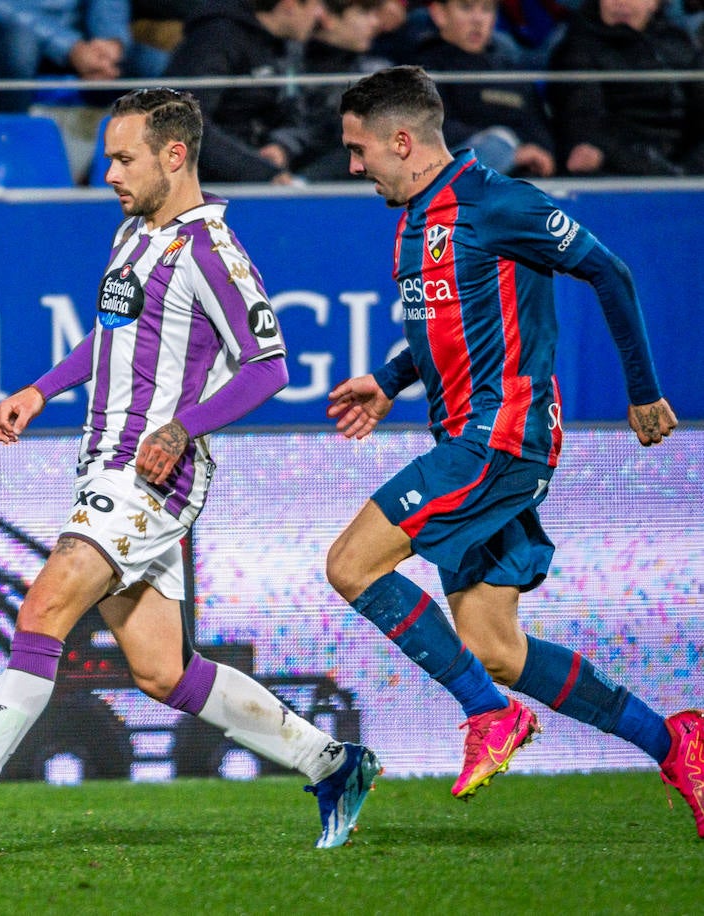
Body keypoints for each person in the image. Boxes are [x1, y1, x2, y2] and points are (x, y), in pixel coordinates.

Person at [0, 87, 380, 854]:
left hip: (150, 477)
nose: (108, 172)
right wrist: (41, 388)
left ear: (175, 156)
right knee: (163, 672)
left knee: (44, 607)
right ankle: (331, 762)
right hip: (106, 465)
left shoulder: (212, 251)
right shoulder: (132, 234)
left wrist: (183, 424)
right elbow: (107, 343)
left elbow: (267, 369)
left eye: (123, 157)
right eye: (107, 156)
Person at [328, 65, 703, 836]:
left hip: (502, 436)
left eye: (360, 149)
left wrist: (641, 389)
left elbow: (609, 270)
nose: (354, 165)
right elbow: (445, 325)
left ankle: (488, 716)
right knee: (493, 646)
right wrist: (392, 380)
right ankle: (677, 744)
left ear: (403, 140)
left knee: (351, 565)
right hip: (468, 437)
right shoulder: (412, 217)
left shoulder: (497, 203)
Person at [161, 0, 325, 184]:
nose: (321, 15)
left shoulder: (290, 47)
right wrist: (261, 171)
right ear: (289, 5)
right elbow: (184, 124)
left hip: (265, 172)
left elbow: (298, 112)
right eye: (316, 4)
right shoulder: (215, 39)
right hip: (210, 184)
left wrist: (282, 146)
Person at [547, 0, 704, 177]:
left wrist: (689, 171)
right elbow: (586, 128)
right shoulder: (576, 50)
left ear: (654, 3)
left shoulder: (679, 43)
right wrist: (660, 171)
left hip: (683, 169)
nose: (619, 3)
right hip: (621, 169)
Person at [411, 0, 556, 177]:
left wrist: (540, 152)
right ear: (440, 14)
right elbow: (432, 133)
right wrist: (508, 153)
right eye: (466, 8)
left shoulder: (510, 71)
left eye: (486, 9)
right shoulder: (422, 71)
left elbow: (538, 129)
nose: (478, 20)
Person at [0, 0, 168, 114]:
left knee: (160, 66)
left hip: (77, 43)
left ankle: (96, 173)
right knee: (19, 46)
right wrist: (69, 48)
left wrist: (109, 42)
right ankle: (12, 153)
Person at [262, 0, 389, 181]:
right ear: (327, 16)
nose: (375, 22)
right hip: (272, 172)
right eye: (364, 13)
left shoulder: (378, 73)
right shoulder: (281, 64)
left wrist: (301, 182)